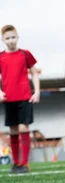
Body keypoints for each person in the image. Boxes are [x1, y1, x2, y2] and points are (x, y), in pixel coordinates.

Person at [0, 25, 40, 174]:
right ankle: (16, 163)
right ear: (3, 40)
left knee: (24, 128)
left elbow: (35, 73)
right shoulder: (1, 57)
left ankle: (24, 163)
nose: (11, 41)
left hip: (25, 97)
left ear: (17, 37)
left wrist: (37, 92)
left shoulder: (25, 54)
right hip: (9, 99)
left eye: (13, 37)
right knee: (13, 130)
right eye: (7, 38)